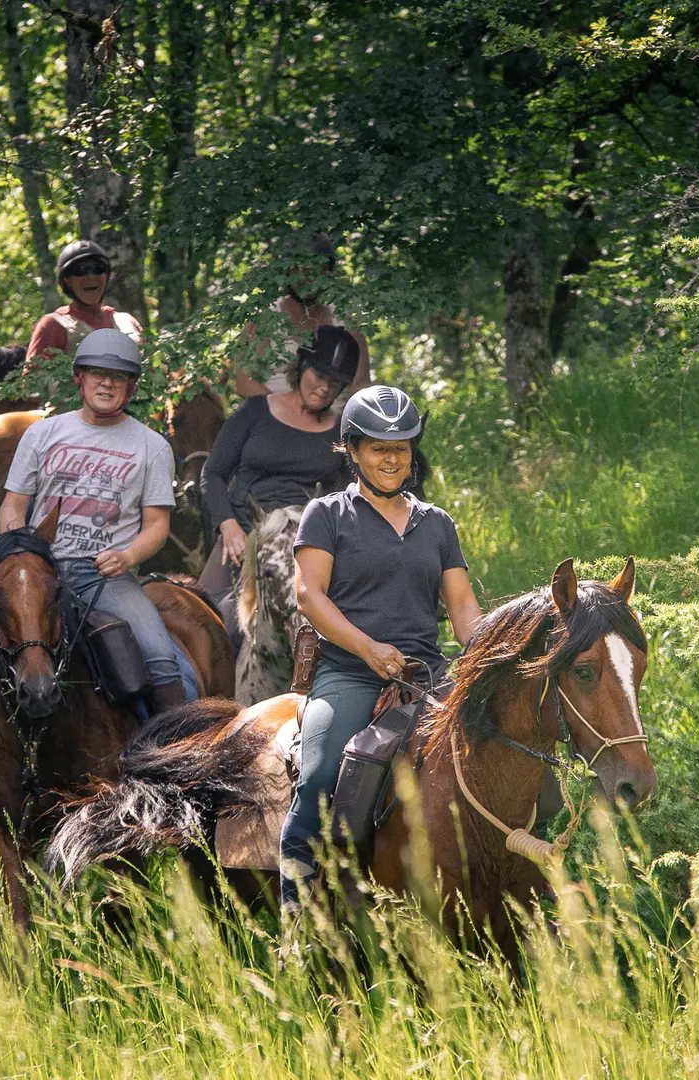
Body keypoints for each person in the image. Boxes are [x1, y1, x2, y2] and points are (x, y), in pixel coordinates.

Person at [0, 328, 185, 841]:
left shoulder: (150, 445)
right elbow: (14, 502)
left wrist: (127, 554)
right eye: (98, 375)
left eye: (120, 378)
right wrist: (16, 544)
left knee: (158, 656)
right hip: (39, 573)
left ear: (131, 387)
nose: (108, 385)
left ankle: (179, 784)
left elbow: (157, 526)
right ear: (79, 379)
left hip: (107, 574)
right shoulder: (43, 434)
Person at [278, 385, 483, 907]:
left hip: (426, 673)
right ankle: (297, 911)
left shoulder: (436, 523)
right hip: (350, 671)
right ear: (352, 450)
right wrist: (368, 649)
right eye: (378, 447)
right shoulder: (326, 514)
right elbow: (309, 595)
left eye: (403, 447)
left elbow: (461, 606)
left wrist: (486, 657)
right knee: (322, 774)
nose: (392, 458)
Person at [196, 326, 359, 622]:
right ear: (301, 367)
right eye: (319, 376)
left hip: (307, 546)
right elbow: (213, 473)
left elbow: (350, 498)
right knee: (207, 619)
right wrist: (228, 526)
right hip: (244, 538)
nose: (324, 388)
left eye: (334, 383)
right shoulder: (255, 411)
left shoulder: (342, 432)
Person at [232, 233, 372, 408]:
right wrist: (286, 417)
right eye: (299, 268)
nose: (306, 276)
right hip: (274, 423)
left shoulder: (345, 322)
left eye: (315, 269)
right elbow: (244, 382)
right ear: (288, 271)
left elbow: (361, 384)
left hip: (333, 425)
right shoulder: (264, 319)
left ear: (327, 273)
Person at [27, 239, 145, 364]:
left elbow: (156, 373)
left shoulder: (127, 322)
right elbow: (31, 380)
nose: (91, 277)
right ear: (67, 281)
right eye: (80, 271)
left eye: (98, 269)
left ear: (106, 276)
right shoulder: (52, 326)